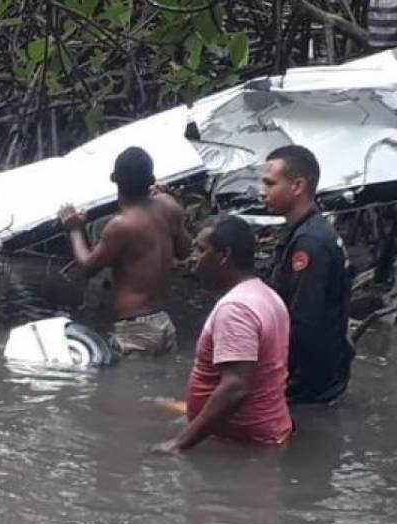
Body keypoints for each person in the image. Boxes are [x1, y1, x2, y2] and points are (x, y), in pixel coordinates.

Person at [155, 216, 292, 454]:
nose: (192, 258)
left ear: (223, 255)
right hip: (265, 437)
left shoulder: (236, 309)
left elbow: (235, 387)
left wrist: (179, 444)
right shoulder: (267, 295)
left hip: (242, 448)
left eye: (200, 249)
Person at [57, 147, 190, 356]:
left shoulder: (122, 225)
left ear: (114, 178)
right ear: (152, 179)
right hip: (163, 321)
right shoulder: (169, 206)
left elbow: (88, 266)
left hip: (135, 329)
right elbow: (184, 251)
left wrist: (74, 229)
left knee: (132, 386)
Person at [261, 145, 353, 404]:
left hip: (308, 382)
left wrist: (274, 376)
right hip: (323, 373)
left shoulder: (310, 242)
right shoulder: (308, 231)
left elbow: (304, 321)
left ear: (297, 186)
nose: (262, 191)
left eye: (270, 183)